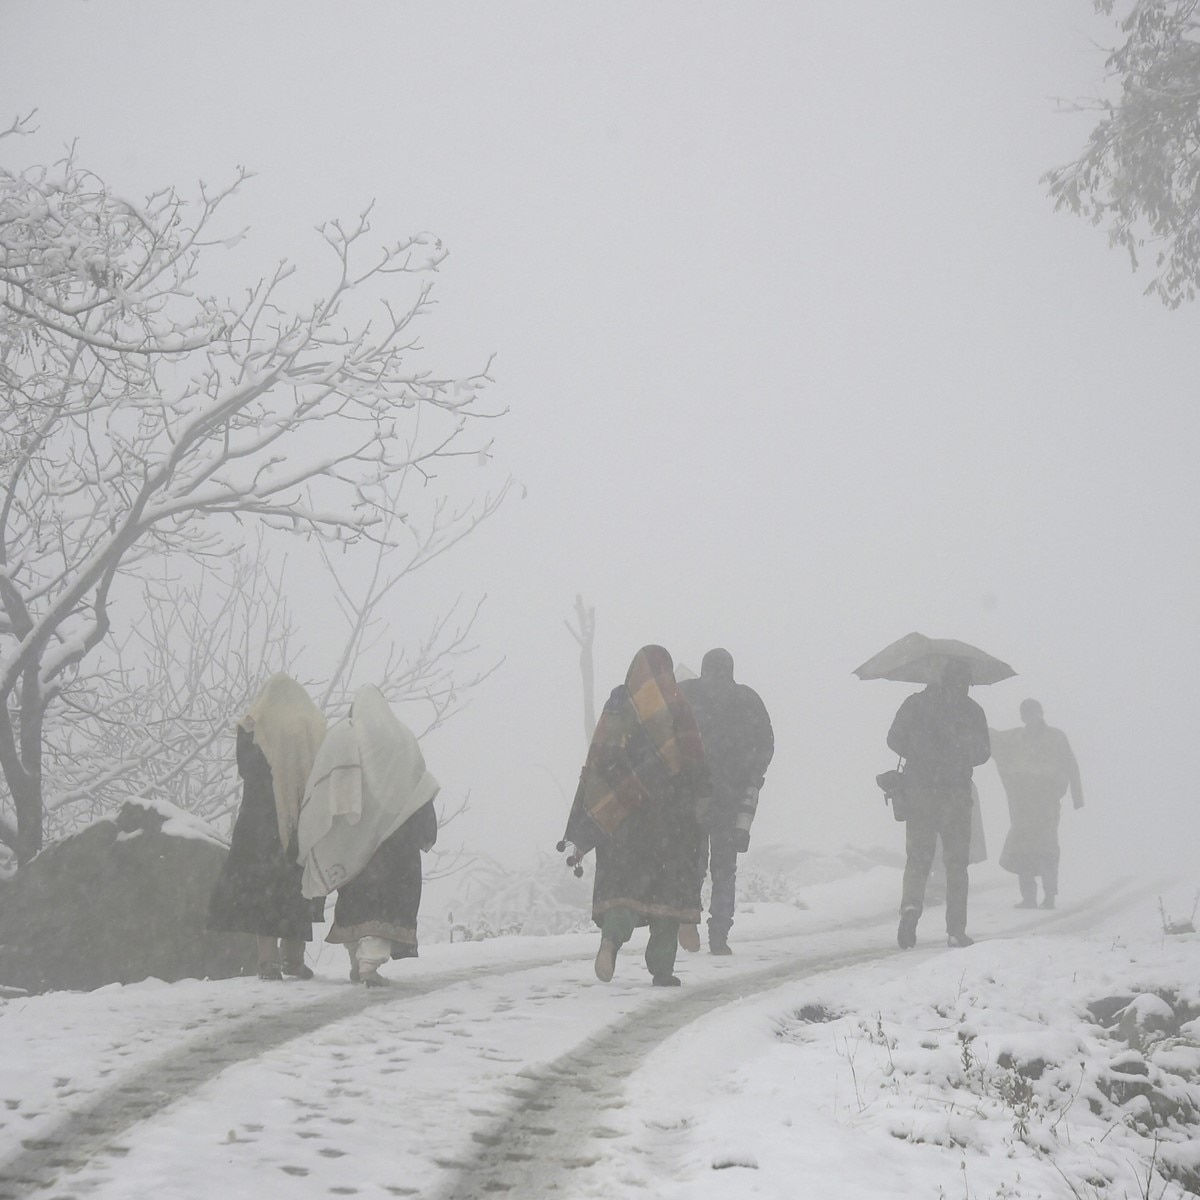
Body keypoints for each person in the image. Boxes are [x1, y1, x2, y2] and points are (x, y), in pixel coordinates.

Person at [560, 645, 710, 987]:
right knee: (666, 900)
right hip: (673, 819)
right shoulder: (677, 705)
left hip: (626, 818)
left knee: (624, 889)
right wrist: (698, 806)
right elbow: (696, 763)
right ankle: (662, 969)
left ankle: (611, 941)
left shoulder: (620, 701)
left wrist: (598, 813)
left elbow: (601, 758)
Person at [297, 685, 440, 986]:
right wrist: (426, 831)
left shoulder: (344, 736)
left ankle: (357, 962)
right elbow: (421, 787)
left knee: (357, 901)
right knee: (386, 903)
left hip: (355, 840)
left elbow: (327, 786)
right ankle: (368, 967)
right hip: (396, 842)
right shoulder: (403, 739)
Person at [207, 674, 328, 980]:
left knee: (264, 889)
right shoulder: (312, 725)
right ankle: (294, 958)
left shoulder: (252, 724)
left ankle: (267, 961)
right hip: (300, 817)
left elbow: (246, 769)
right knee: (297, 887)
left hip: (259, 818)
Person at [886, 658, 990, 949]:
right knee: (957, 863)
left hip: (919, 791)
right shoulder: (972, 710)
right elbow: (983, 753)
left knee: (918, 858)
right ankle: (956, 930)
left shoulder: (916, 704)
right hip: (956, 793)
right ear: (966, 682)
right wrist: (958, 752)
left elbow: (893, 740)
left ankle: (910, 908)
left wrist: (919, 751)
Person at [678, 648, 774, 954]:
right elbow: (766, 745)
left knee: (691, 862)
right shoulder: (747, 700)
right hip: (730, 799)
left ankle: (687, 915)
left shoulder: (687, 694)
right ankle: (719, 934)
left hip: (691, 794)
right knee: (724, 868)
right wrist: (752, 776)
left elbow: (665, 732)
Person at [991, 699, 1084, 910]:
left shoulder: (1056, 737)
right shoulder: (1015, 738)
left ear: (1041, 713)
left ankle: (1049, 895)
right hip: (1022, 802)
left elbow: (1070, 764)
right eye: (1025, 713)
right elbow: (993, 738)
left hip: (1046, 801)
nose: (1029, 717)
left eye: (1033, 712)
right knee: (1023, 848)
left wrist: (1077, 796)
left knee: (1047, 847)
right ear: (1022, 717)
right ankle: (1029, 896)